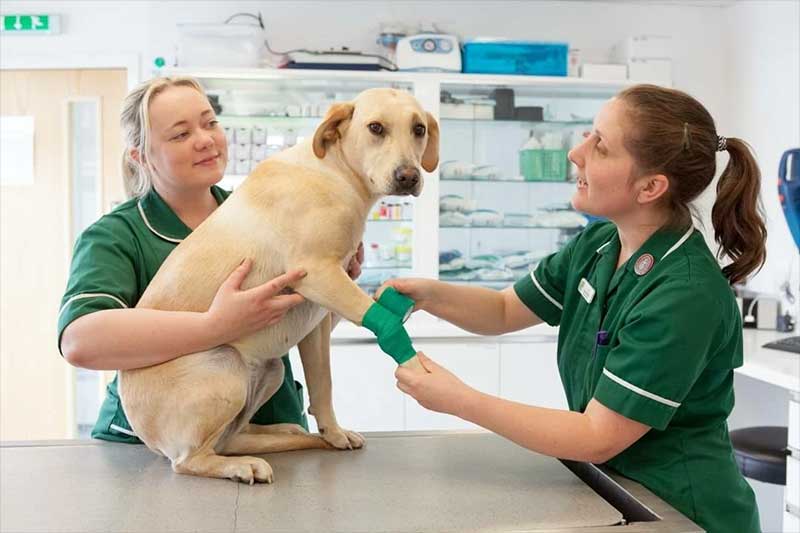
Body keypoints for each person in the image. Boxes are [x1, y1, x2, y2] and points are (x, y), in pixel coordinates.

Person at [387, 84, 765, 532]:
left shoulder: (685, 293)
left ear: (650, 186)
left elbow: (597, 436)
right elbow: (505, 310)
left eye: (600, 146)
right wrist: (427, 294)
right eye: (588, 134)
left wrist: (459, 400)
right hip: (616, 494)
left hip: (684, 512)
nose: (575, 153)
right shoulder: (600, 243)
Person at [58, 76, 363, 442]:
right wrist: (215, 326)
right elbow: (80, 341)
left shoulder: (265, 210)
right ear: (141, 156)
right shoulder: (117, 236)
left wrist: (332, 288)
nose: (204, 140)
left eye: (210, 123)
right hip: (153, 447)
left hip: (270, 427)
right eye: (180, 135)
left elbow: (284, 327)